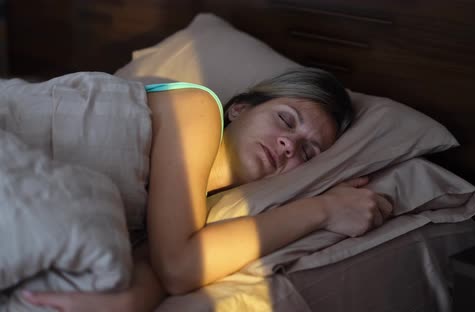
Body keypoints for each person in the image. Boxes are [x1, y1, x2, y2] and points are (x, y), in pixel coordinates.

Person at [23, 68, 393, 311]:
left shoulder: (190, 212)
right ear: (240, 110)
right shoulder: (196, 107)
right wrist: (323, 209)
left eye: (308, 151)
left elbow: (157, 271)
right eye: (285, 119)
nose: (288, 145)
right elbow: (179, 268)